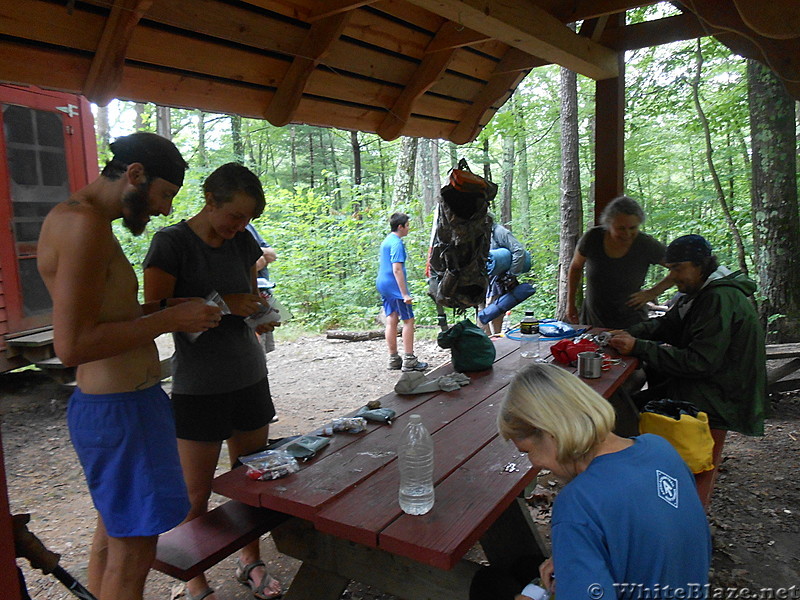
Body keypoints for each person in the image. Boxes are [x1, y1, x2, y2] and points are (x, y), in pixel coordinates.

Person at [36, 132, 222, 600]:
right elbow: (73, 344)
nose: (162, 210)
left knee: (111, 544)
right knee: (132, 556)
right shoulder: (82, 225)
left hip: (122, 408)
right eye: (163, 196)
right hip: (121, 412)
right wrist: (166, 320)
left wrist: (161, 306)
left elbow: (102, 318)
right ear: (135, 175)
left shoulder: (81, 219)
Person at [143, 163, 282, 600]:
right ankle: (195, 580)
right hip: (198, 386)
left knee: (250, 479)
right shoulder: (171, 243)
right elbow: (153, 312)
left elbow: (246, 299)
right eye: (235, 217)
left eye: (248, 220)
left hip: (248, 375)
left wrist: (258, 313)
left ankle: (249, 561)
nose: (242, 228)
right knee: (195, 491)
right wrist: (224, 305)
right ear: (210, 202)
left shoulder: (241, 242)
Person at [473, 362, 711, 600]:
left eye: (527, 451)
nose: (534, 464)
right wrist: (575, 556)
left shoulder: (578, 503)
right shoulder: (659, 447)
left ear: (550, 433)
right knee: (525, 566)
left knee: (488, 584)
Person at [609, 234, 767, 506]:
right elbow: (666, 325)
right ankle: (649, 491)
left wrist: (639, 347)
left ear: (701, 264)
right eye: (670, 269)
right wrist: (625, 334)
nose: (673, 276)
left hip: (722, 394)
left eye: (678, 268)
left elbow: (699, 361)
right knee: (625, 409)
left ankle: (685, 514)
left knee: (627, 418)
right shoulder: (698, 292)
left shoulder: (719, 298)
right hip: (710, 383)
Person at [566, 195, 673, 328]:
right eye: (621, 228)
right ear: (609, 224)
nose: (627, 234)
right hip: (594, 320)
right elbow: (576, 267)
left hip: (631, 323)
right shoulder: (592, 239)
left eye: (633, 228)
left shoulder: (645, 244)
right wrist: (570, 303)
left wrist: (652, 292)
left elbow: (680, 268)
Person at [376, 212, 428, 371]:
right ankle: (409, 359)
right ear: (400, 227)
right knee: (409, 320)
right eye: (407, 225)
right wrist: (404, 294)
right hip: (394, 286)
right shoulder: (397, 243)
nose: (409, 228)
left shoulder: (387, 240)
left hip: (383, 284)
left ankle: (393, 358)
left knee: (391, 319)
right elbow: (397, 269)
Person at [483, 217, 531, 334]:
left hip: (499, 278)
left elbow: (519, 250)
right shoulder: (481, 234)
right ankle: (486, 344)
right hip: (485, 277)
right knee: (483, 312)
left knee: (493, 311)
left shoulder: (499, 232)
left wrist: (512, 274)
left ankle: (497, 342)